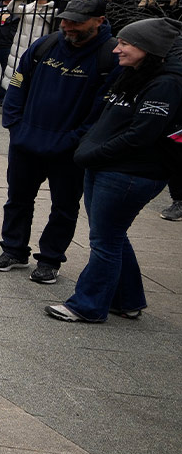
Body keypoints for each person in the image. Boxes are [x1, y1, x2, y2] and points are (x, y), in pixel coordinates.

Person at [47, 18, 181, 323]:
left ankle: (87, 305)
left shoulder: (166, 83)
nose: (117, 49)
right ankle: (128, 300)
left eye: (125, 43)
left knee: (105, 241)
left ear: (148, 48)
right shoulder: (133, 74)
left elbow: (141, 135)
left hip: (129, 174)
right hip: (106, 167)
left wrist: (93, 153)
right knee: (112, 235)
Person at [0, 0, 117, 286]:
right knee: (18, 199)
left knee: (64, 206)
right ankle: (13, 249)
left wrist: (76, 139)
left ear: (99, 21)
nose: (68, 27)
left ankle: (50, 259)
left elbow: (103, 110)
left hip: (70, 150)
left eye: (77, 23)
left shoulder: (110, 56)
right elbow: (18, 81)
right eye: (65, 20)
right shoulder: (44, 46)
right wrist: (15, 123)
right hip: (26, 141)